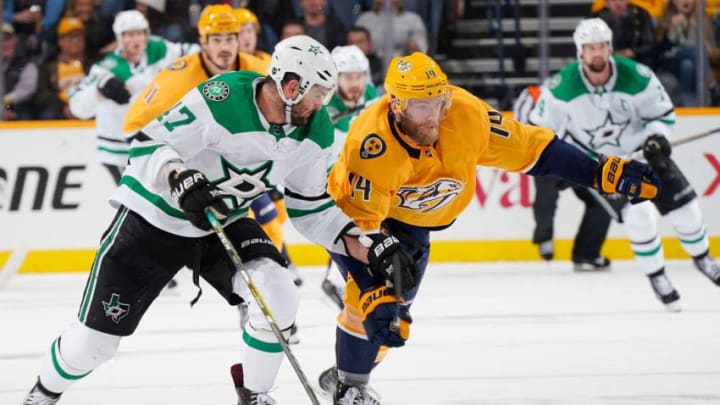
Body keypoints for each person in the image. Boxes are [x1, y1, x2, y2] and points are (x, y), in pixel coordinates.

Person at [20, 35, 395, 405]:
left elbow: (311, 208)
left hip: (222, 219)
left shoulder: (316, 131)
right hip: (154, 217)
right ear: (292, 85)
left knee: (278, 289)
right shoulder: (223, 97)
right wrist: (179, 176)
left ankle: (255, 393)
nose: (322, 103)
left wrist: (364, 245)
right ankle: (42, 393)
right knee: (94, 345)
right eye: (319, 93)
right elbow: (148, 143)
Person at [317, 50, 660, 403]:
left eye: (439, 101)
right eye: (422, 106)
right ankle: (350, 387)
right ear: (396, 105)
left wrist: (602, 171)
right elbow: (356, 227)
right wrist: (373, 287)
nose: (434, 116)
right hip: (355, 220)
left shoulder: (466, 115)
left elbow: (535, 149)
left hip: (415, 226)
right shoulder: (370, 145)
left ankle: (348, 370)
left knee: (394, 316)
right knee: (371, 303)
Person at [529, 18, 720, 311]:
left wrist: (657, 139)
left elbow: (661, 114)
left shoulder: (637, 76)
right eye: (590, 48)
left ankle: (704, 258)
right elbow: (540, 131)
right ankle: (657, 276)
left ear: (610, 48)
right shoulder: (560, 88)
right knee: (640, 217)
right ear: (580, 51)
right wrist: (558, 163)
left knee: (687, 210)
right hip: (608, 169)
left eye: (602, 47)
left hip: (643, 154)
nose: (597, 54)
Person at [69, 9, 198, 184]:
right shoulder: (106, 68)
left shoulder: (158, 49)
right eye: (129, 35)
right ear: (119, 38)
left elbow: (196, 54)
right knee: (134, 202)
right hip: (118, 149)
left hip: (154, 142)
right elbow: (77, 106)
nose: (136, 39)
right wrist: (99, 90)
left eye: (139, 33)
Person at [514, 85, 613, 270]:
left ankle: (586, 254)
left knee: (603, 202)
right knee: (546, 196)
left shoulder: (584, 97)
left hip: (578, 158)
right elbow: (519, 124)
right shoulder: (534, 93)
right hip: (547, 155)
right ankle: (545, 238)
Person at [321, 44, 379, 308]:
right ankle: (336, 278)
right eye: (348, 76)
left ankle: (337, 278)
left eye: (359, 75)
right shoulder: (322, 103)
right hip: (325, 176)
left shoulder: (370, 95)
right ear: (335, 77)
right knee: (350, 226)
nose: (355, 83)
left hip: (355, 175)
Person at [34, 17, 91, 120]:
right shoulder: (47, 67)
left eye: (78, 36)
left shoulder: (93, 65)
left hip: (88, 107)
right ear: (60, 41)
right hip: (59, 111)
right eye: (70, 37)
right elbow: (42, 95)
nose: (75, 41)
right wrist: (63, 107)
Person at [594, 0, 656, 68]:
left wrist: (633, 52)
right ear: (606, 3)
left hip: (637, 62)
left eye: (622, 0)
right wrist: (613, 54)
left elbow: (650, 44)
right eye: (613, 1)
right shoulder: (597, 19)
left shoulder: (641, 15)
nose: (618, 3)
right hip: (607, 63)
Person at [2, 22, 38, 121]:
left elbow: (25, 90)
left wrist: (4, 101)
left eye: (7, 40)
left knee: (25, 111)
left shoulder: (27, 65)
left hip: (15, 108)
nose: (4, 44)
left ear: (14, 40)